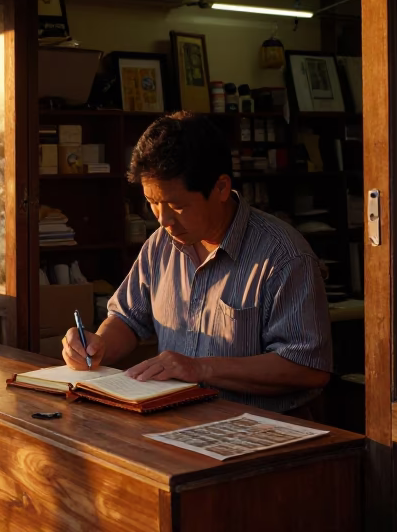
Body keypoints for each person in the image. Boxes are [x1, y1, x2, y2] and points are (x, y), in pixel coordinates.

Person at [63, 112, 332, 415]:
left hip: (259, 433)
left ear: (220, 188)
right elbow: (127, 319)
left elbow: (308, 368)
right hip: (174, 424)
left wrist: (201, 369)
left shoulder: (283, 256)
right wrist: (96, 347)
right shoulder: (160, 245)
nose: (164, 220)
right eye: (152, 203)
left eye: (177, 206)